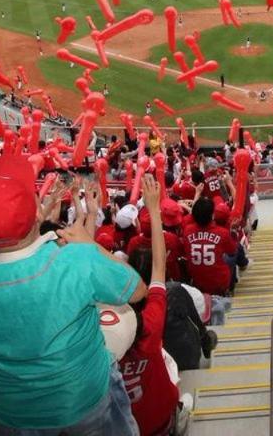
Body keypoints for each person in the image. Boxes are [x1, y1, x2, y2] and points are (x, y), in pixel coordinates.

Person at [0, 159, 146, 435]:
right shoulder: (74, 257)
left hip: (14, 414)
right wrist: (90, 244)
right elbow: (138, 290)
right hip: (84, 399)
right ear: (35, 214)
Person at [119, 176, 191, 435]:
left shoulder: (94, 340)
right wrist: (154, 208)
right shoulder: (150, 323)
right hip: (160, 423)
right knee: (167, 362)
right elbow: (159, 267)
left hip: (122, 427)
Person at [180, 197, 236, 297]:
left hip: (197, 283)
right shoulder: (223, 233)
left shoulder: (187, 231)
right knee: (232, 255)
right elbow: (232, 251)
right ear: (212, 215)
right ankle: (231, 287)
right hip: (219, 284)